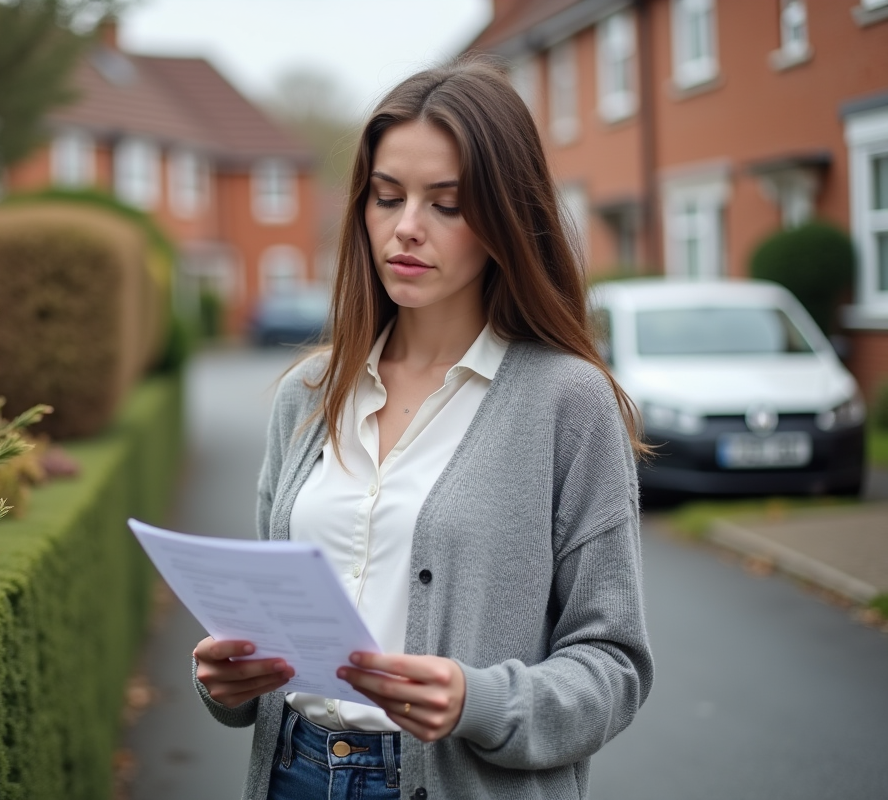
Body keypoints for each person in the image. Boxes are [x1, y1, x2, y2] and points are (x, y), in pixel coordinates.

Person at [191, 58, 654, 800]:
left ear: (506, 216)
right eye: (386, 197)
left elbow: (615, 664)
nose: (406, 228)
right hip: (293, 773)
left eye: (446, 203)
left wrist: (480, 701)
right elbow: (262, 626)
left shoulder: (568, 402)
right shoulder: (308, 396)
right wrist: (227, 679)